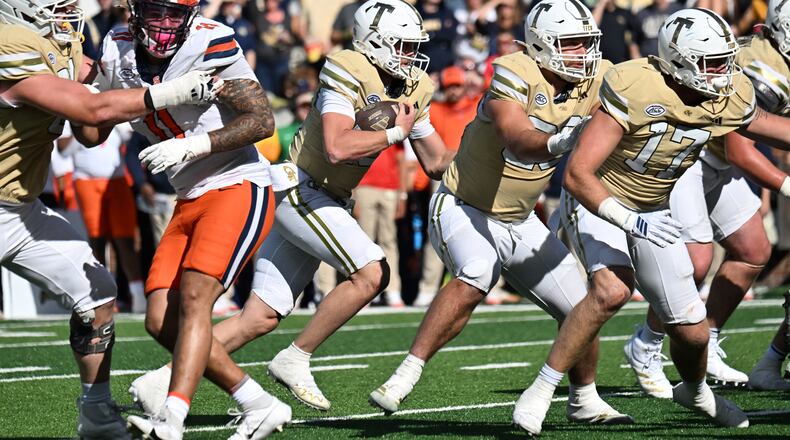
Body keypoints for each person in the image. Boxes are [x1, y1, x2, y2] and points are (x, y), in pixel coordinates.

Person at [126, 0, 453, 416]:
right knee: (372, 272)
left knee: (259, 318)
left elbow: (436, 161)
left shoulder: (414, 86)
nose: (411, 56)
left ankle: (160, 381)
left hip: (327, 197)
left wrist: (491, 151)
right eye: (403, 46)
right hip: (299, 187)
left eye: (413, 47)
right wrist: (393, 135)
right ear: (375, 42)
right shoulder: (348, 67)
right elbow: (337, 147)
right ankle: (296, 357)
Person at [513, 8, 790, 434]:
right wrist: (625, 219)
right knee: (611, 290)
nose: (724, 73)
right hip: (601, 198)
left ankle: (695, 390)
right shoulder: (636, 85)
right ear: (679, 61)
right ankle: (543, 388)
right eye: (712, 63)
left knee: (693, 332)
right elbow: (578, 173)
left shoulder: (729, 91)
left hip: (655, 207)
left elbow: (764, 125)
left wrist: (643, 219)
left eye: (725, 61)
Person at [368, 0, 630, 425]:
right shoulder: (514, 71)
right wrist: (561, 141)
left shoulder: (599, 76)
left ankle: (584, 398)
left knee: (581, 307)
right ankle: (406, 373)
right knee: (476, 273)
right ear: (542, 45)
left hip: (521, 218)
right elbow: (517, 140)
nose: (583, 52)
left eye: (586, 42)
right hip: (465, 205)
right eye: (571, 43)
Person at [0, 0, 215, 438]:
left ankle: (96, 414)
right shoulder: (9, 43)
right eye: (55, 5)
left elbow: (94, 86)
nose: (66, 12)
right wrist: (174, 91)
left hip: (19, 209)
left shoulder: (58, 41)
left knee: (97, 292)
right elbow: (92, 111)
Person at [88, 1, 290, 438]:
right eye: (155, 11)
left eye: (175, 14)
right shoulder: (117, 47)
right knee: (160, 320)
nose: (165, 24)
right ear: (134, 9)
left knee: (197, 296)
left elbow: (262, 121)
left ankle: (171, 419)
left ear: (191, 15)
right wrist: (80, 90)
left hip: (236, 182)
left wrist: (192, 146)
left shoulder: (210, 41)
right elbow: (90, 133)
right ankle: (258, 403)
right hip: (187, 196)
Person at [624, 0, 790, 397]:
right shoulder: (764, 71)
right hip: (689, 156)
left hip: (714, 160)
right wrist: (786, 185)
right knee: (696, 262)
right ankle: (646, 345)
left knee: (753, 250)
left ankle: (708, 340)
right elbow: (740, 149)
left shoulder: (776, 60)